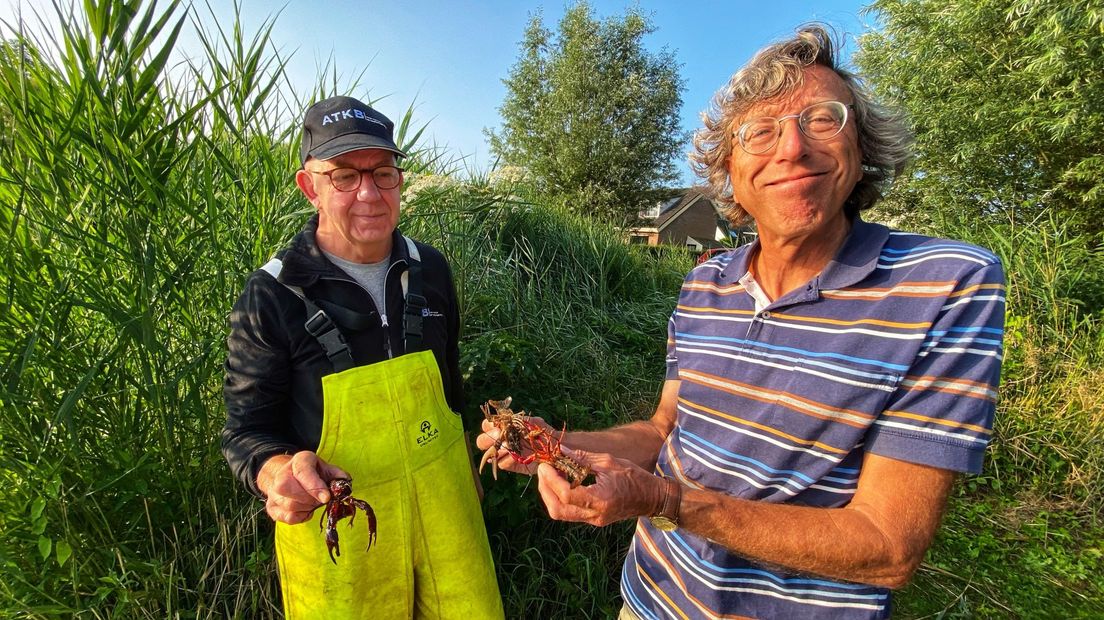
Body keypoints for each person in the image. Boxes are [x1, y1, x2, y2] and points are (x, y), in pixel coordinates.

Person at [477, 25, 1005, 619]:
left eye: (822, 120)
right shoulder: (704, 283)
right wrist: (557, 444)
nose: (791, 149)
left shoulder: (944, 283)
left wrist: (664, 500)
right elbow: (663, 430)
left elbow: (888, 547)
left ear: (863, 151)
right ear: (729, 170)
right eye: (761, 132)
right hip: (649, 601)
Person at [222, 95, 503, 619]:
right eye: (344, 176)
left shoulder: (432, 269)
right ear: (311, 187)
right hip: (341, 531)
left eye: (383, 173)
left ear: (401, 179)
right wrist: (276, 470)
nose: (369, 193)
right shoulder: (271, 294)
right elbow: (244, 431)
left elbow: (449, 388)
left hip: (448, 518)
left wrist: (467, 469)